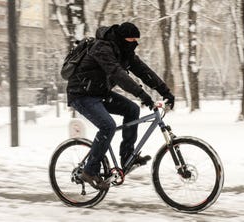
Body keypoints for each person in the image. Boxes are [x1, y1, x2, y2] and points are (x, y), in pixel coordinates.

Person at [66, 22, 175, 190]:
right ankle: (90, 170)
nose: (134, 44)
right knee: (108, 125)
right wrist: (142, 95)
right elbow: (117, 74)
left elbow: (145, 72)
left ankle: (127, 157)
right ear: (122, 38)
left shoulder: (125, 52)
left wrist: (165, 91)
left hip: (99, 93)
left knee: (132, 109)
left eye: (136, 40)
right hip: (81, 94)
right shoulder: (102, 48)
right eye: (132, 40)